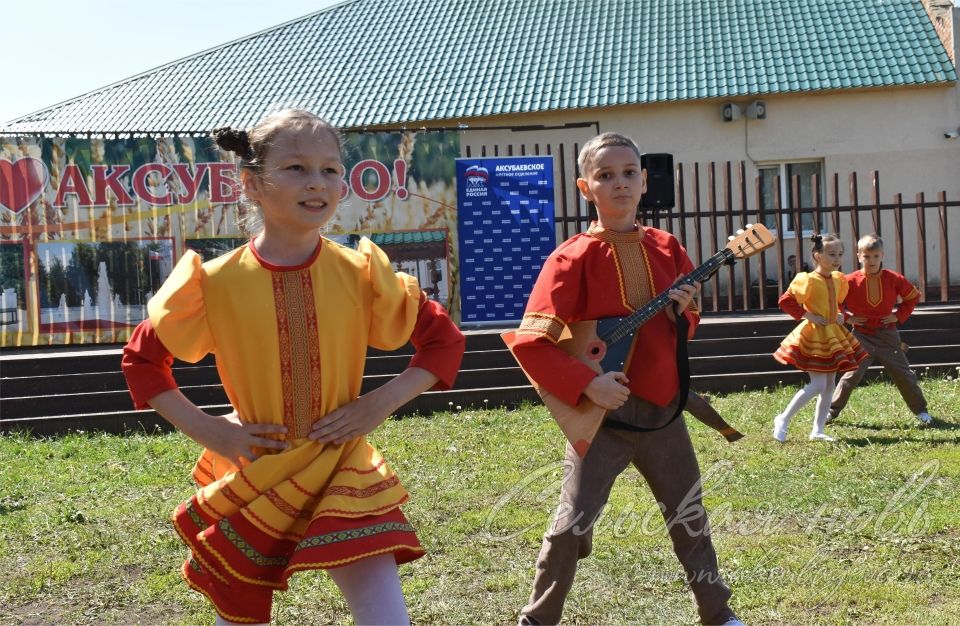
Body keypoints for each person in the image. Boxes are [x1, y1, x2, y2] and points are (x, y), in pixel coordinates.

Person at [121, 109, 465, 625]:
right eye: (297, 168)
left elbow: (442, 342)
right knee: (239, 615)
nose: (317, 183)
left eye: (330, 169)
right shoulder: (213, 283)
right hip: (258, 468)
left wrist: (378, 403)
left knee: (387, 618)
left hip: (341, 468)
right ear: (253, 184)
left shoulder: (360, 272)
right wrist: (212, 432)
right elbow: (143, 361)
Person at [509, 132, 743, 626]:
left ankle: (718, 614)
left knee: (690, 520)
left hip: (662, 412)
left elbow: (687, 325)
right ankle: (537, 620)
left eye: (629, 173)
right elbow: (532, 341)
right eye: (606, 175)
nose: (620, 183)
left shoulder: (668, 248)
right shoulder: (571, 259)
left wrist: (683, 314)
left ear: (644, 181)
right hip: (602, 420)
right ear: (585, 187)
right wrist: (587, 384)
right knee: (570, 527)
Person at [827, 234, 934, 425]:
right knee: (851, 375)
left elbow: (912, 297)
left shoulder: (893, 278)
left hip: (888, 336)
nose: (871, 261)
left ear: (882, 255)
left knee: (904, 374)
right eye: (867, 257)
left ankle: (921, 411)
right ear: (859, 256)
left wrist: (898, 315)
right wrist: (849, 318)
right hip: (860, 335)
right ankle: (831, 411)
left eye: (876, 256)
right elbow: (834, 303)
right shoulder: (848, 281)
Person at [772, 234, 867, 442]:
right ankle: (783, 418)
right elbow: (786, 301)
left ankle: (818, 430)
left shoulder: (838, 279)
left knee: (829, 385)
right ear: (817, 255)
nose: (837, 259)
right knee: (817, 385)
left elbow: (837, 304)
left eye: (840, 254)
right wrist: (809, 315)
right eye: (831, 254)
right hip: (815, 334)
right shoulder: (807, 280)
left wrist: (842, 316)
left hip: (833, 332)